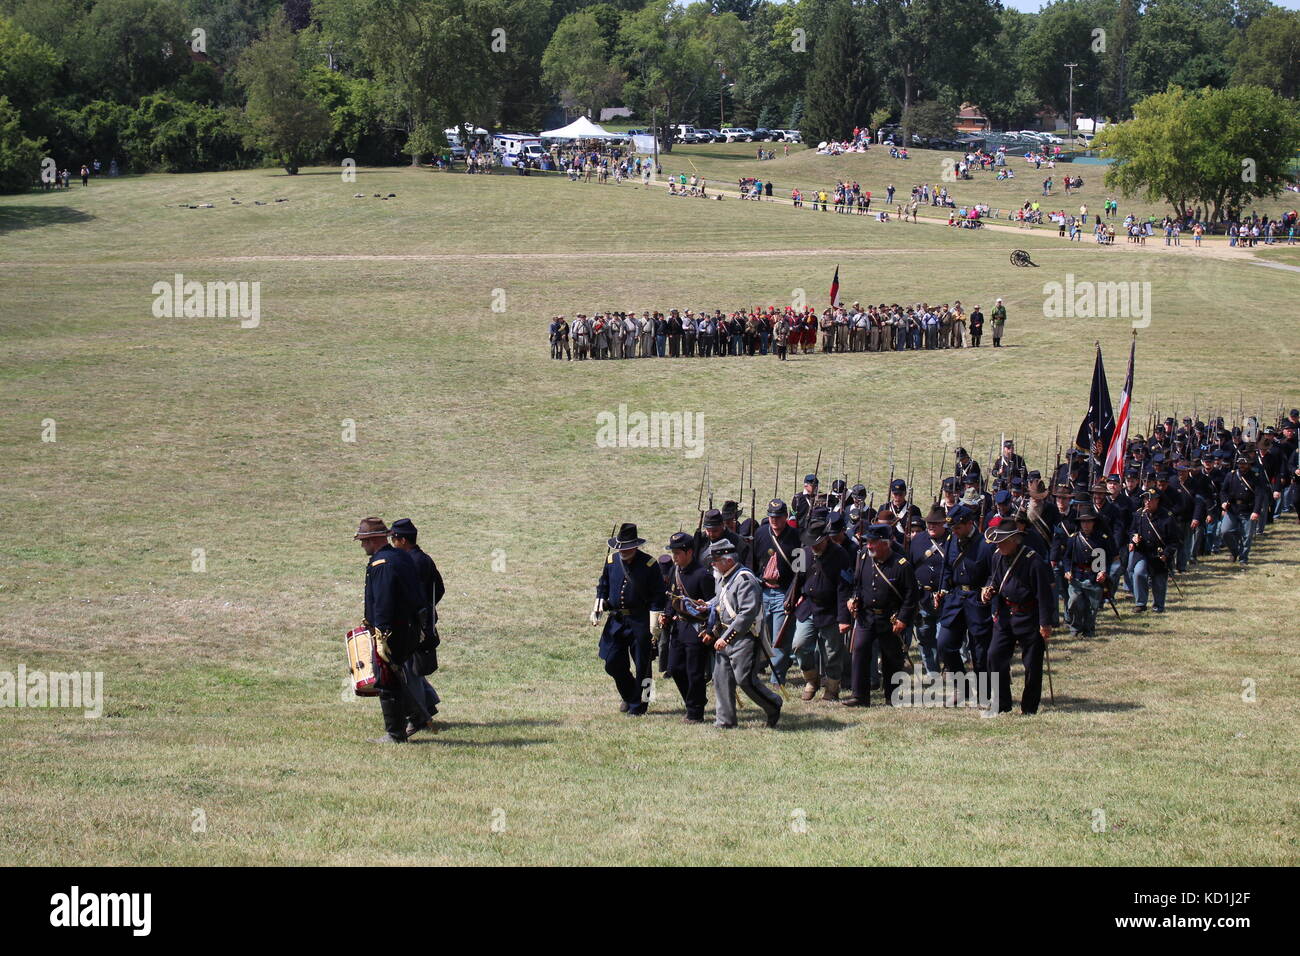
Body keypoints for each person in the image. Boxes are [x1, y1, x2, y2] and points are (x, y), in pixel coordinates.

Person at [355, 517, 425, 743]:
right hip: (406, 628)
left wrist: (381, 635)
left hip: (389, 632)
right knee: (398, 676)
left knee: (388, 681)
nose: (362, 545)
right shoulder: (399, 556)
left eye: (364, 540)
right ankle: (416, 716)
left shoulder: (382, 563)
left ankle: (395, 734)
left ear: (374, 539)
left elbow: (384, 602)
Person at [701, 539, 782, 729]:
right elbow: (721, 598)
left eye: (716, 560)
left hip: (744, 638)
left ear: (728, 560)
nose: (713, 564)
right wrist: (706, 604)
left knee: (745, 680)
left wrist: (725, 638)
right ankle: (725, 721)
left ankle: (773, 704)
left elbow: (747, 614)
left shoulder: (746, 580)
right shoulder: (725, 577)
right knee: (720, 679)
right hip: (725, 635)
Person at [592, 523, 667, 715]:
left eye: (626, 548)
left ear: (635, 546)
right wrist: (598, 605)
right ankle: (629, 695)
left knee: (644, 666)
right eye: (620, 548)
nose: (622, 552)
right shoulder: (611, 561)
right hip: (617, 620)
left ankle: (642, 704)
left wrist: (654, 625)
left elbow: (659, 596)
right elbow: (603, 584)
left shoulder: (650, 564)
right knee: (612, 662)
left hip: (640, 620)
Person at [983, 521, 1053, 715]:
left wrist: (1045, 623)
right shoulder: (997, 556)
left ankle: (1029, 707)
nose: (998, 546)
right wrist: (988, 590)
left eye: (1002, 542)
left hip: (1029, 616)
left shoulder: (1033, 560)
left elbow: (1044, 594)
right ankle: (1002, 702)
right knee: (994, 656)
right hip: (1005, 616)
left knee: (1032, 664)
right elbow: (994, 579)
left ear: (1014, 540)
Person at [843, 523, 917, 706]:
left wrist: (902, 619)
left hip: (890, 618)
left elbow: (911, 596)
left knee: (891, 657)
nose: (869, 546)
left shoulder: (901, 565)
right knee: (859, 651)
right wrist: (853, 599)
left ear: (885, 543)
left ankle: (892, 697)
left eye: (873, 542)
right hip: (866, 616)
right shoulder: (862, 558)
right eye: (868, 542)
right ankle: (859, 696)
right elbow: (857, 584)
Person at [389, 517, 444, 734]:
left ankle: (420, 717)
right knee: (412, 668)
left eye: (393, 538)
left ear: (402, 540)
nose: (392, 542)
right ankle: (428, 703)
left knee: (407, 670)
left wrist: (417, 616)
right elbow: (439, 589)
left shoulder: (410, 563)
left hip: (412, 625)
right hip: (420, 621)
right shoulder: (424, 559)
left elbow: (414, 596)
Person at [791, 515, 852, 701]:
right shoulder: (802, 552)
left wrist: (843, 618)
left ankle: (832, 688)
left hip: (831, 610)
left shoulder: (841, 555)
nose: (813, 546)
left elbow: (844, 588)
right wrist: (791, 600)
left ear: (826, 539)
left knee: (832, 653)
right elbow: (796, 580)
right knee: (799, 646)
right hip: (808, 607)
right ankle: (811, 680)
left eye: (817, 543)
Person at [660, 532, 714, 723]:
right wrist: (666, 614)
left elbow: (712, 607)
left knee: (694, 672)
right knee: (675, 668)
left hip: (696, 629)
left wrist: (709, 631)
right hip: (678, 627)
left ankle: (695, 712)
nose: (674, 557)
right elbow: (672, 597)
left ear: (690, 552)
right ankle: (695, 700)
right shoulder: (674, 571)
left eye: (678, 553)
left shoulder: (703, 575)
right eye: (673, 552)